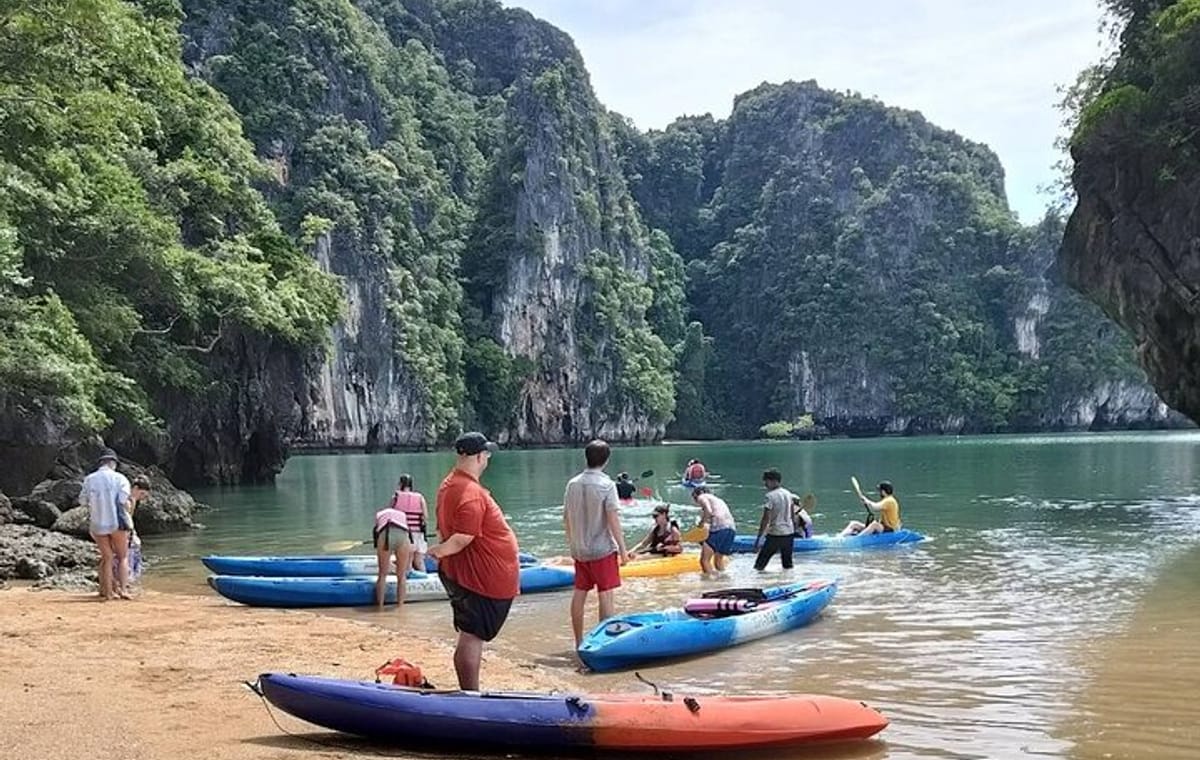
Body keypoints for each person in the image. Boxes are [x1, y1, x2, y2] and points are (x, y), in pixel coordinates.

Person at [428, 432, 519, 691]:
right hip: (478, 578)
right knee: (472, 635)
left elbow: (443, 530)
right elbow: (462, 538)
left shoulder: (449, 485)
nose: (487, 459)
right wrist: (438, 551)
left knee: (470, 634)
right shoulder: (469, 492)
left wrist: (441, 552)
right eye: (486, 454)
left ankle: (470, 690)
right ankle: (470, 692)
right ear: (479, 457)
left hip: (467, 573)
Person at [563, 440, 629, 648]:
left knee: (579, 593)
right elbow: (613, 519)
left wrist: (572, 543)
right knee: (605, 595)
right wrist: (623, 550)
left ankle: (578, 642)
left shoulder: (572, 484)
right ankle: (604, 644)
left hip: (579, 550)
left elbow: (566, 517)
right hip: (602, 550)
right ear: (606, 460)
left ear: (586, 458)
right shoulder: (607, 485)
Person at [80, 448, 132, 601]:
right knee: (122, 557)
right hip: (116, 522)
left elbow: (82, 501)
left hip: (97, 523)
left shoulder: (89, 479)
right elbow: (122, 500)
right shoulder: (120, 478)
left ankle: (107, 592)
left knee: (106, 557)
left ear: (100, 463)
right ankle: (123, 590)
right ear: (113, 463)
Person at [373, 486, 415, 609]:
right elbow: (409, 533)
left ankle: (380, 607)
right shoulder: (402, 514)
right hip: (402, 535)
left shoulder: (380, 514)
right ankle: (400, 607)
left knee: (382, 574)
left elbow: (376, 533)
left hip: (385, 534)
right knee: (401, 576)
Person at [752, 469, 796, 571]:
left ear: (774, 481)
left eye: (766, 481)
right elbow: (792, 514)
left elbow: (765, 519)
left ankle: (758, 580)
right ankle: (788, 579)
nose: (765, 484)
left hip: (776, 533)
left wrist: (759, 538)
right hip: (789, 533)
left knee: (759, 565)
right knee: (787, 565)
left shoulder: (770, 496)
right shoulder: (788, 494)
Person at [115, 475, 151, 596]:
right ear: (135, 488)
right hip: (123, 531)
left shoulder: (127, 498)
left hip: (120, 530)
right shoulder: (129, 500)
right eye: (142, 494)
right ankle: (125, 584)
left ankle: (121, 584)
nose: (142, 497)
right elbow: (127, 519)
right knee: (126, 557)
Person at [390, 474, 430, 573]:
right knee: (419, 561)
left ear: (400, 484)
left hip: (403, 534)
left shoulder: (395, 497)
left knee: (406, 562)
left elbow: (390, 515)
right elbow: (425, 517)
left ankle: (405, 575)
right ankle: (424, 576)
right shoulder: (420, 497)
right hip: (418, 534)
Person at [692, 486, 735, 574]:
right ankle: (723, 580)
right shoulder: (718, 500)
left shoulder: (702, 496)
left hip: (719, 528)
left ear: (697, 494)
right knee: (718, 561)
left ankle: (710, 581)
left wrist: (701, 523)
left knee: (704, 561)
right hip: (731, 529)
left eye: (694, 498)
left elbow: (708, 511)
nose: (696, 502)